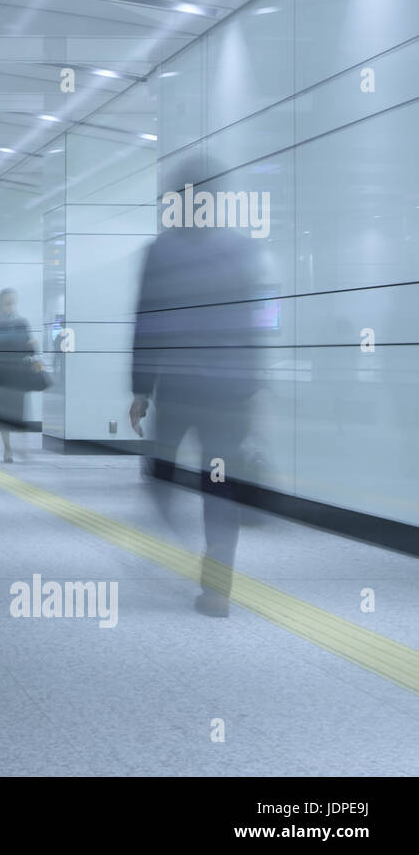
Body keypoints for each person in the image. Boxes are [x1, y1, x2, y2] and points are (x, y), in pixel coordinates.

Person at [129, 167, 266, 619]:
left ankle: (185, 544)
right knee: (220, 485)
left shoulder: (160, 251)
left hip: (181, 388)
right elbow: (252, 323)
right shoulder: (242, 249)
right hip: (230, 392)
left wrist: (140, 390)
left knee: (160, 474)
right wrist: (253, 388)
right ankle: (217, 586)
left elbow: (146, 322)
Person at [0, 289, 42, 463]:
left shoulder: (21, 323)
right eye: (8, 302)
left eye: (13, 302)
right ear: (0, 304)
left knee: (18, 414)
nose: (11, 306)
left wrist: (33, 345)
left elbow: (30, 349)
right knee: (3, 417)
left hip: (18, 376)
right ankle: (7, 449)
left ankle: (21, 446)